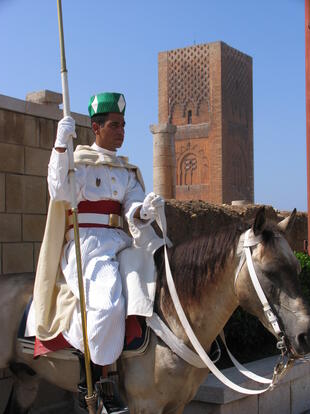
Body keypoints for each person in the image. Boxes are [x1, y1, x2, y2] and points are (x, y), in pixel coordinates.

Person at [47, 92, 163, 410]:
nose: (122, 131)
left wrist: (145, 211)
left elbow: (133, 206)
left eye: (124, 125)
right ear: (97, 128)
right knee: (109, 301)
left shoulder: (126, 171)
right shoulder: (79, 162)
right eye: (115, 125)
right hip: (87, 245)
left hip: (119, 242)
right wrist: (60, 145)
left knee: (154, 273)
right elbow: (58, 190)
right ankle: (98, 380)